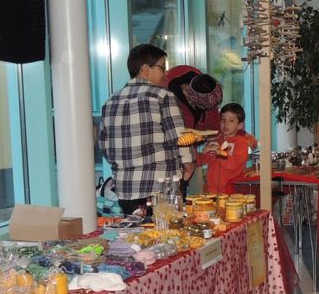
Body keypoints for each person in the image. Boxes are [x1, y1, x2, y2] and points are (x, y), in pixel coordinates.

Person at [98, 44, 194, 216]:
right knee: (168, 239)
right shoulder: (163, 96)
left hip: (126, 191)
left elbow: (105, 147)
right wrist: (188, 168)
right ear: (144, 69)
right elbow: (180, 138)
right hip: (160, 188)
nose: (166, 73)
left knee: (139, 240)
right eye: (162, 68)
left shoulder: (110, 102)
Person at [166, 66, 224, 195]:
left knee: (196, 194)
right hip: (172, 160)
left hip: (193, 157)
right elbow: (178, 140)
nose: (206, 109)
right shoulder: (170, 103)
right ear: (186, 90)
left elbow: (214, 130)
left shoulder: (205, 88)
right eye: (201, 107)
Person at [198, 103, 257, 194]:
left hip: (232, 192)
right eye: (223, 120)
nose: (226, 124)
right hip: (212, 191)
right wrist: (204, 152)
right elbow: (199, 162)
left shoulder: (241, 143)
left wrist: (219, 151)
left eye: (231, 121)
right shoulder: (216, 141)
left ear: (240, 125)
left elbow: (233, 165)